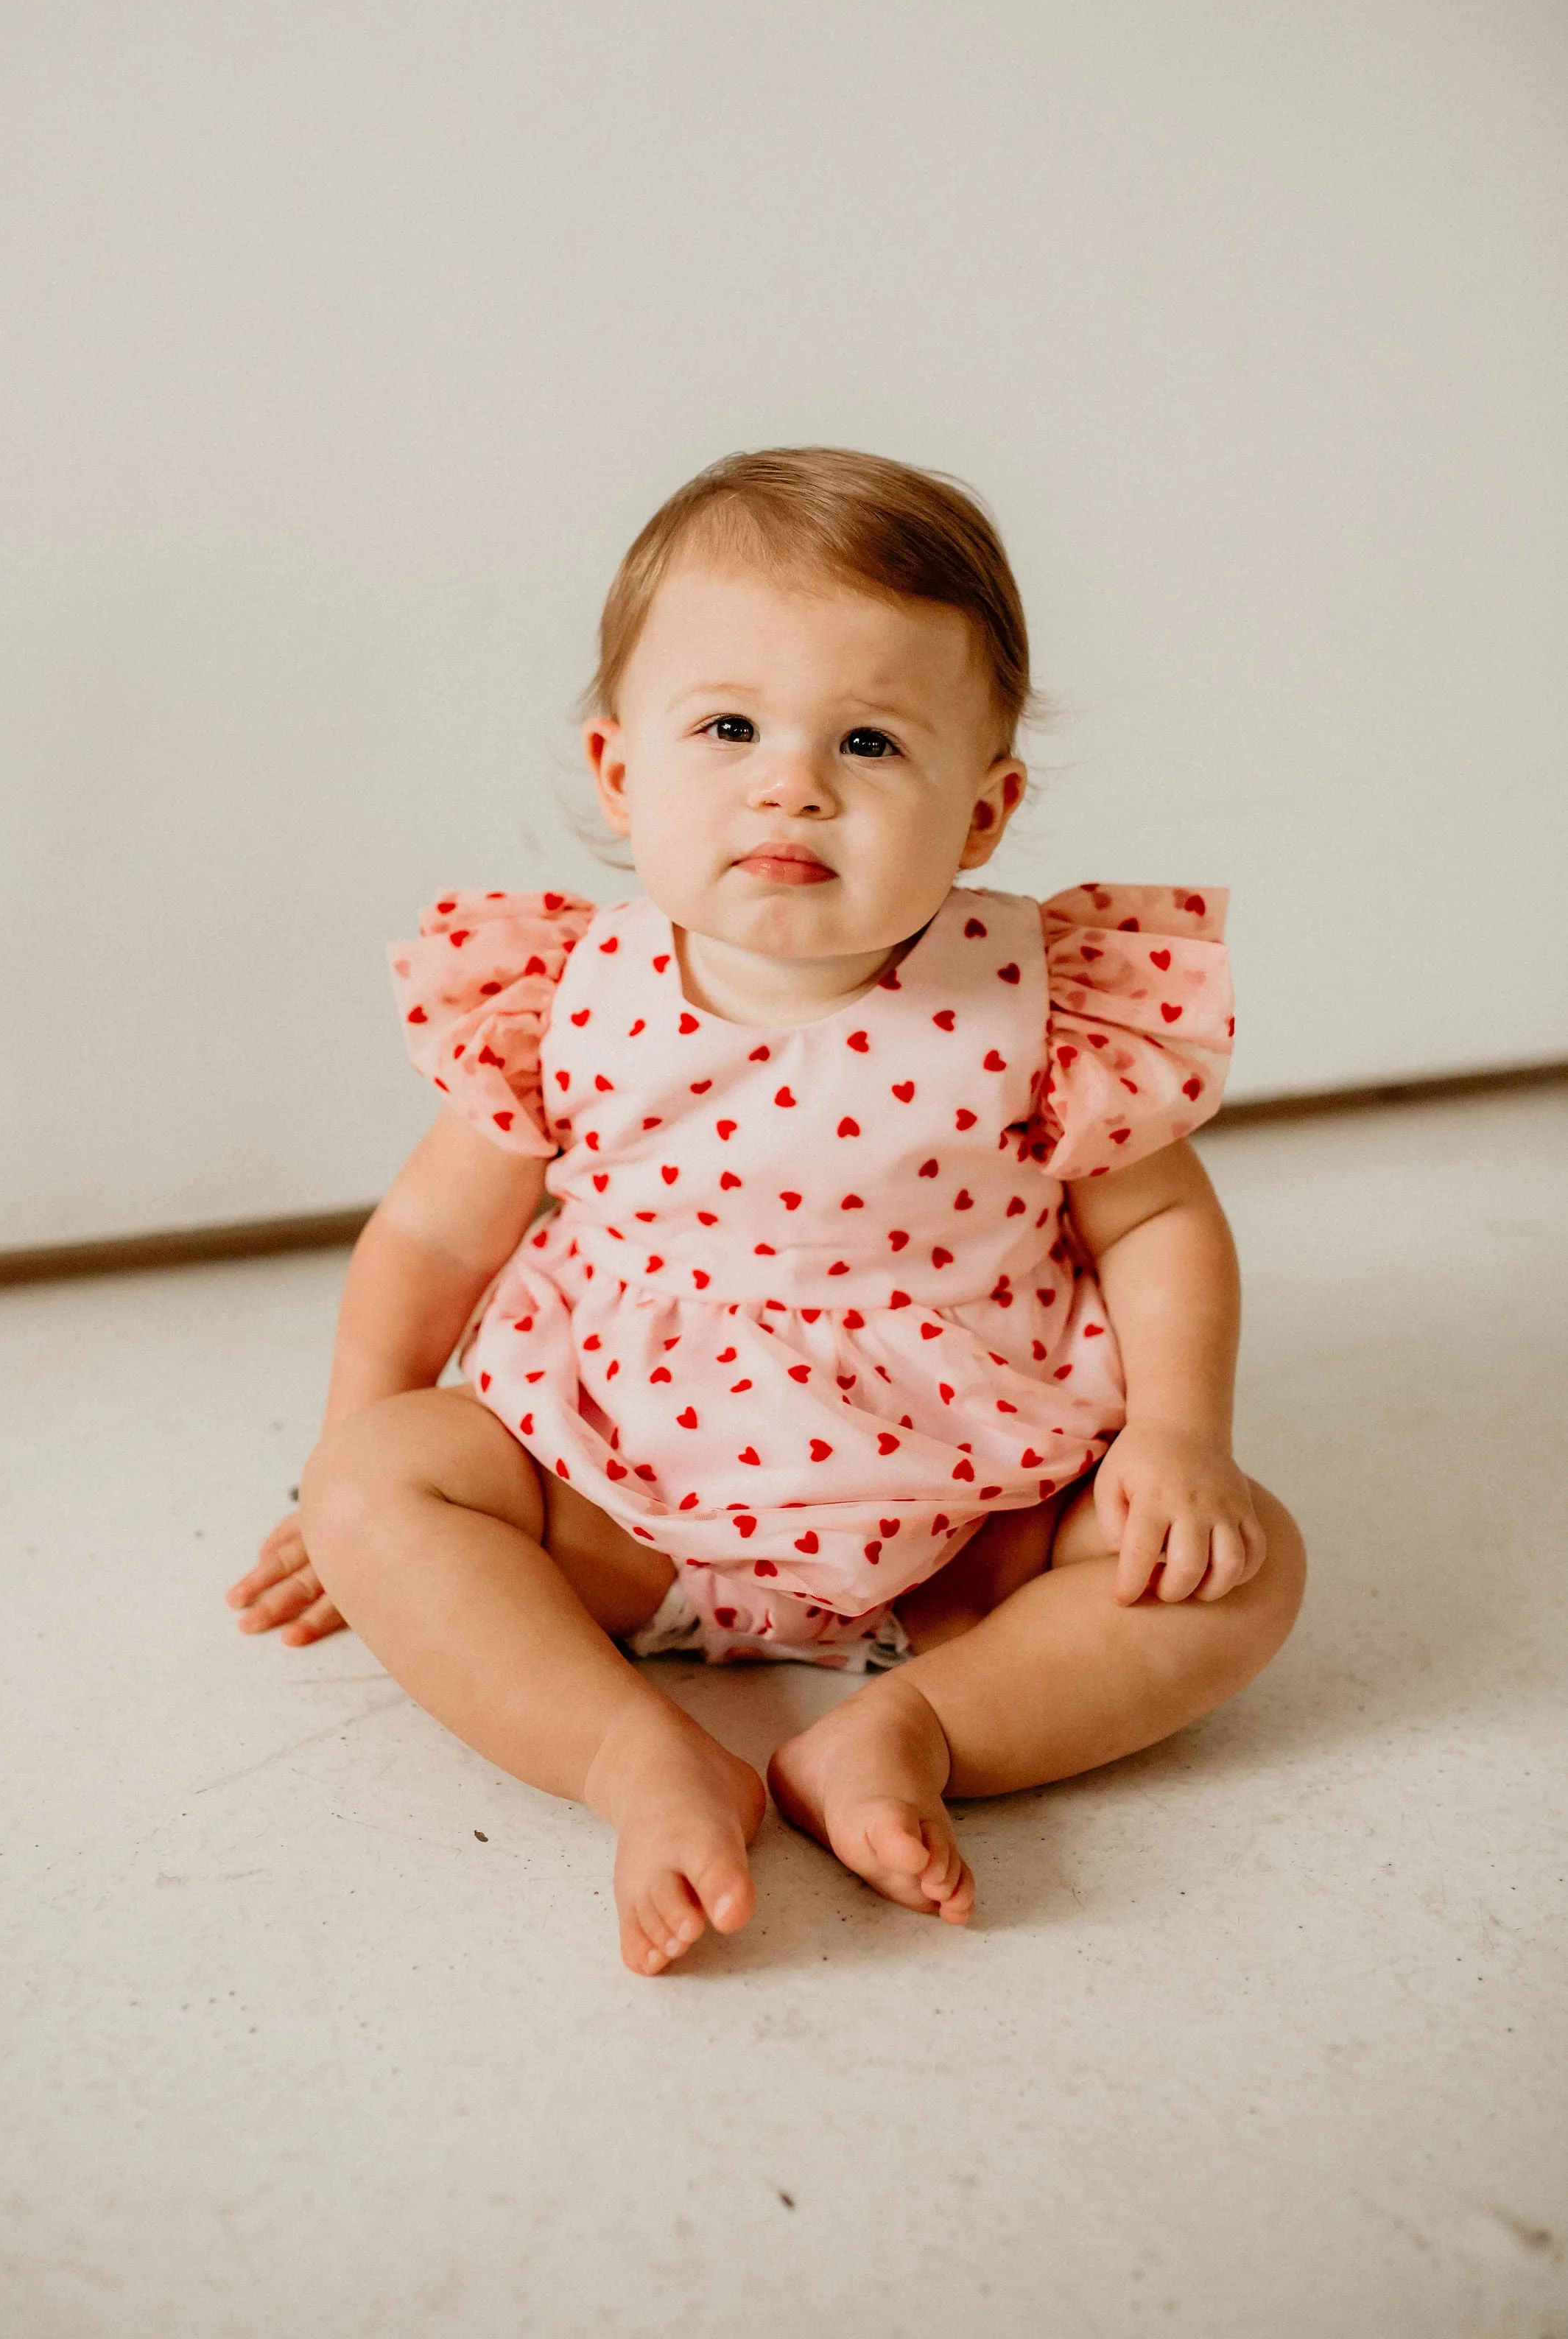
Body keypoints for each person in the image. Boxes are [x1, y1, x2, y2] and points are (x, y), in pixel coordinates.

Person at [226, 447, 1305, 1977]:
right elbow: (428, 1243)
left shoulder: (1043, 1004)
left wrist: (1179, 1439)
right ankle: (637, 1760)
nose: (790, 781)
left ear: (983, 810)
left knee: (1242, 1571)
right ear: (619, 772)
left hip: (970, 1525)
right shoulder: (561, 1001)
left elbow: (1156, 1229)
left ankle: (905, 1730)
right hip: (617, 1501)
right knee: (380, 1483)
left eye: (868, 741)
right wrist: (341, 1447)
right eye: (727, 727)